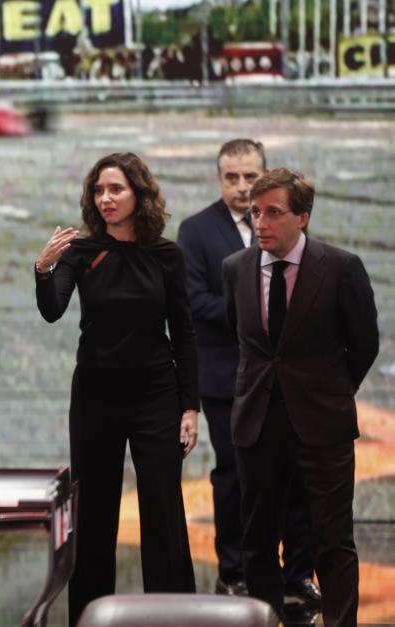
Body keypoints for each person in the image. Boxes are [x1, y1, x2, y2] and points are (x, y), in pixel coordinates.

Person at [35, 152, 198, 624]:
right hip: (96, 396)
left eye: (116, 189)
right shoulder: (81, 251)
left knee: (164, 511)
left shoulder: (167, 255)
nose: (105, 198)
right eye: (99, 190)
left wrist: (190, 407)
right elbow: (52, 310)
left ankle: (176, 617)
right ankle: (88, 616)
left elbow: (184, 331)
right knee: (93, 513)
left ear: (138, 195)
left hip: (157, 395)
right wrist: (44, 269)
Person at [223, 168, 379, 627]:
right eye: (255, 213)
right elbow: (242, 339)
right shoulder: (236, 268)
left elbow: (364, 344)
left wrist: (330, 391)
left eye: (273, 212)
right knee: (257, 541)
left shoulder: (341, 267)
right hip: (257, 423)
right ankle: (265, 619)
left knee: (333, 541)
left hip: (323, 423)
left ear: (302, 217)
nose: (261, 223)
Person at [177, 139, 319, 604]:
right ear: (219, 179)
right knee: (235, 477)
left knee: (296, 476)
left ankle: (298, 575)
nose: (241, 186)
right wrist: (257, 313)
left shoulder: (288, 222)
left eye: (250, 176)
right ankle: (233, 572)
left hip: (289, 381)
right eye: (231, 177)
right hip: (227, 380)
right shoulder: (195, 230)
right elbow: (193, 301)